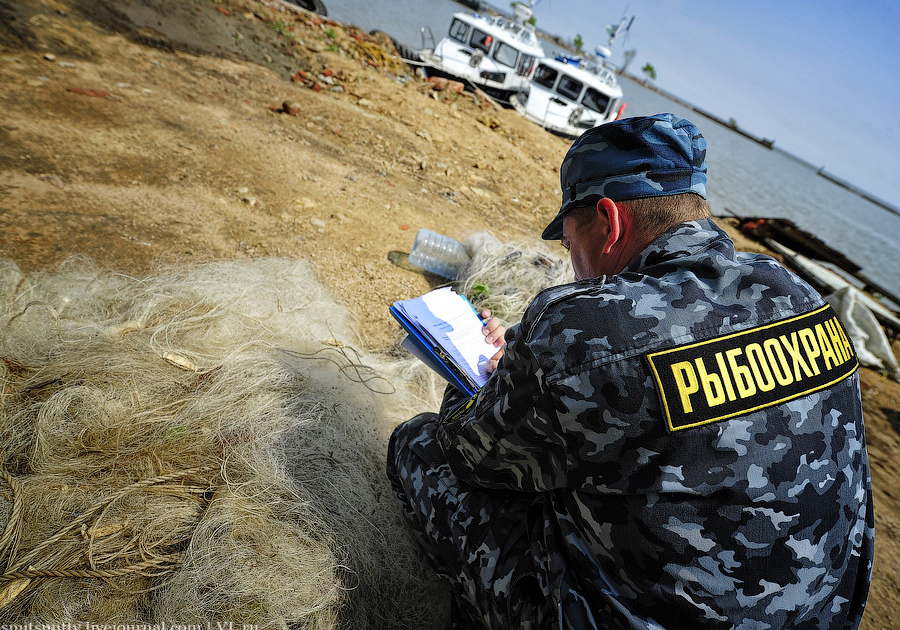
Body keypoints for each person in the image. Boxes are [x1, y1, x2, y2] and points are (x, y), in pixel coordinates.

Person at [387, 113, 874, 630]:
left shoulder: (583, 325)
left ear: (609, 221)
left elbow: (469, 452)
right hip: (822, 617)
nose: (571, 259)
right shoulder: (799, 296)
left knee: (416, 444)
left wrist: (496, 377)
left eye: (570, 241)